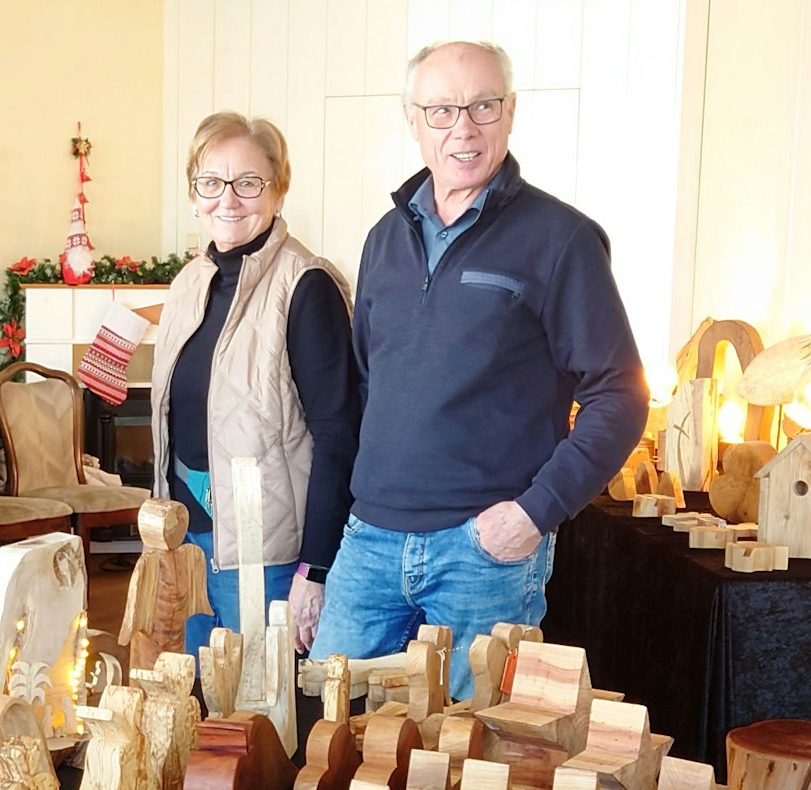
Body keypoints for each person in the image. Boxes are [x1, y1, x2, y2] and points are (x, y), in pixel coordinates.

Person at [310, 41, 648, 699]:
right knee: (330, 731)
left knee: (469, 761)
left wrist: (535, 512)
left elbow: (621, 394)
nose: (463, 127)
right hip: (372, 540)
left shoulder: (562, 239)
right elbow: (367, 387)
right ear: (413, 119)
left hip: (483, 551)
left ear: (510, 112)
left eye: (483, 106)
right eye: (441, 110)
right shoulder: (385, 238)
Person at [150, 112, 359, 655]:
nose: (228, 200)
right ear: (194, 195)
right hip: (186, 543)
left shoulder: (306, 286)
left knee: (254, 722)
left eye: (248, 183)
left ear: (278, 192)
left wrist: (316, 569)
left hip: (267, 555)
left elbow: (339, 436)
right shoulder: (188, 284)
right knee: (193, 708)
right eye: (211, 183)